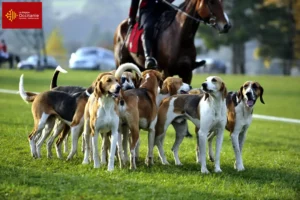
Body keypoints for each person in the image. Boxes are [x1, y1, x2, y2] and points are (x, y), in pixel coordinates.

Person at [128, 0, 174, 69]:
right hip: (147, 9)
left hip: (164, 6)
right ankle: (148, 58)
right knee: (148, 28)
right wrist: (132, 16)